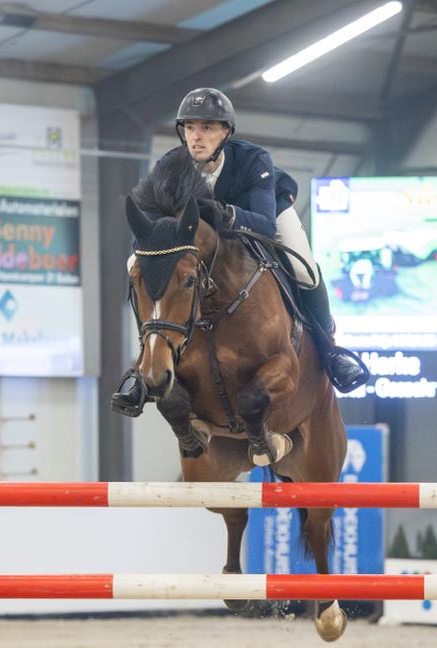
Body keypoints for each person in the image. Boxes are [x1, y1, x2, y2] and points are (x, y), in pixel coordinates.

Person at [112, 87, 369, 416]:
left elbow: (262, 223)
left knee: (304, 267)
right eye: (190, 128)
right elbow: (149, 224)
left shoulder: (253, 159)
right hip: (202, 238)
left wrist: (225, 213)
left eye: (207, 128)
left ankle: (331, 352)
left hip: (263, 217)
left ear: (226, 132)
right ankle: (141, 368)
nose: (197, 137)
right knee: (136, 262)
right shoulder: (170, 166)